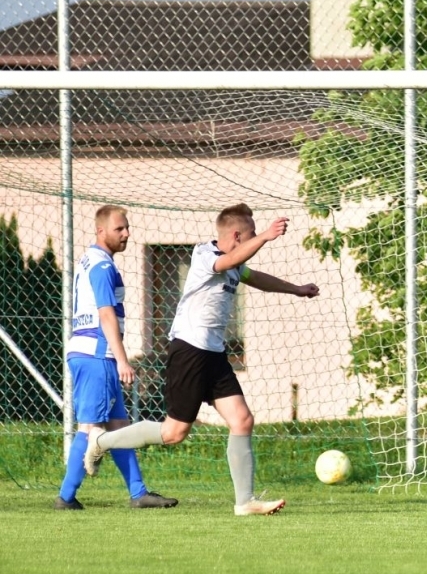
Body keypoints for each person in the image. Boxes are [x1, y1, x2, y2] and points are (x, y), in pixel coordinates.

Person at [87, 204, 319, 516]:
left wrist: (296, 290)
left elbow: (255, 276)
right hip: (190, 351)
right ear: (236, 235)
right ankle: (101, 440)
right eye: (249, 234)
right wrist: (265, 236)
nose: (253, 241)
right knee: (174, 433)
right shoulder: (205, 255)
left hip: (214, 354)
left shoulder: (235, 264)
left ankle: (245, 502)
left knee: (242, 420)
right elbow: (230, 260)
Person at [56, 205, 177, 510]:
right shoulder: (102, 266)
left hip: (91, 353)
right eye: (119, 229)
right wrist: (122, 359)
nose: (126, 233)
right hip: (98, 354)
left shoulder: (90, 260)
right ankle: (66, 497)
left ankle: (139, 493)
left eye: (127, 227)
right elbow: (106, 314)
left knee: (120, 426)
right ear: (101, 231)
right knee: (90, 428)